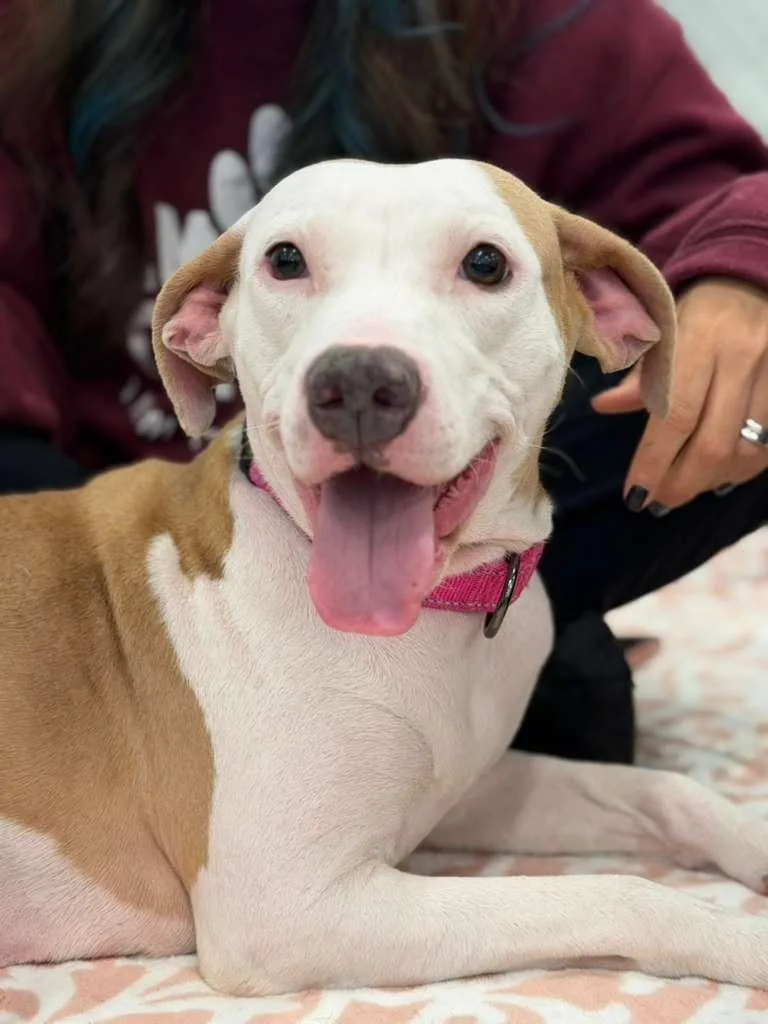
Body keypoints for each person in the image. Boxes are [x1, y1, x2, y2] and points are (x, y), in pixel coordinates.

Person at [1, 0, 767, 763]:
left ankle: (476, 626)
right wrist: (75, 601)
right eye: (289, 263)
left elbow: (723, 193)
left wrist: (743, 273)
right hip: (104, 510)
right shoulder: (30, 30)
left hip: (506, 492)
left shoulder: (563, 24)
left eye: (482, 263)